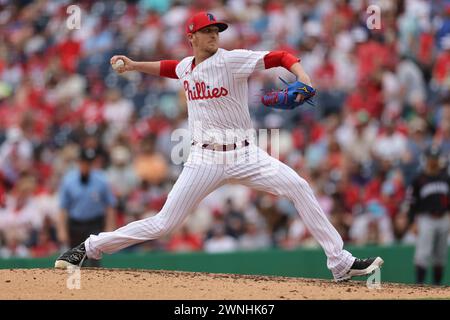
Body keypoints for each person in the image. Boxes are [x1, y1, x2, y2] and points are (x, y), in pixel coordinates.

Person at [55, 12, 383, 281]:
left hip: (245, 154)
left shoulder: (232, 60)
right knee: (163, 224)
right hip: (203, 159)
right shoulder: (188, 66)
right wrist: (135, 65)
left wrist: (305, 78)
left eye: (217, 30)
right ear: (192, 37)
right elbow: (172, 68)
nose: (214, 35)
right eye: (206, 31)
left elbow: (281, 56)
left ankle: (339, 263)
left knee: (298, 185)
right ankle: (89, 247)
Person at [56, 148, 117, 267]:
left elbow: (110, 205)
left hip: (94, 224)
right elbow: (63, 208)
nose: (86, 165)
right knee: (76, 260)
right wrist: (62, 230)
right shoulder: (69, 180)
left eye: (89, 162)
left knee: (95, 258)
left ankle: (95, 285)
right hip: (75, 224)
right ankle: (76, 286)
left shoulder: (101, 180)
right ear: (78, 162)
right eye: (83, 162)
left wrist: (110, 226)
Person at [406, 146, 450, 285]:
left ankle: (437, 287)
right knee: (423, 254)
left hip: (443, 218)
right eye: (431, 159)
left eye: (435, 159)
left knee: (440, 255)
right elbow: (412, 203)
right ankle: (419, 285)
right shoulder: (419, 179)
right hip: (426, 219)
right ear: (426, 160)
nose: (433, 162)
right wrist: (412, 222)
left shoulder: (445, 178)